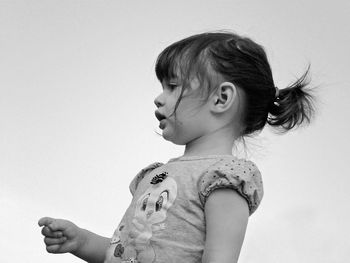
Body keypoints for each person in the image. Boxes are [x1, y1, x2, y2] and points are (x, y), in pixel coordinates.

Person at [38, 31, 316, 263]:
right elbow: (123, 252)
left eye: (173, 86)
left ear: (221, 98)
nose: (159, 98)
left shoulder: (226, 177)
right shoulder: (154, 176)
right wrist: (81, 240)